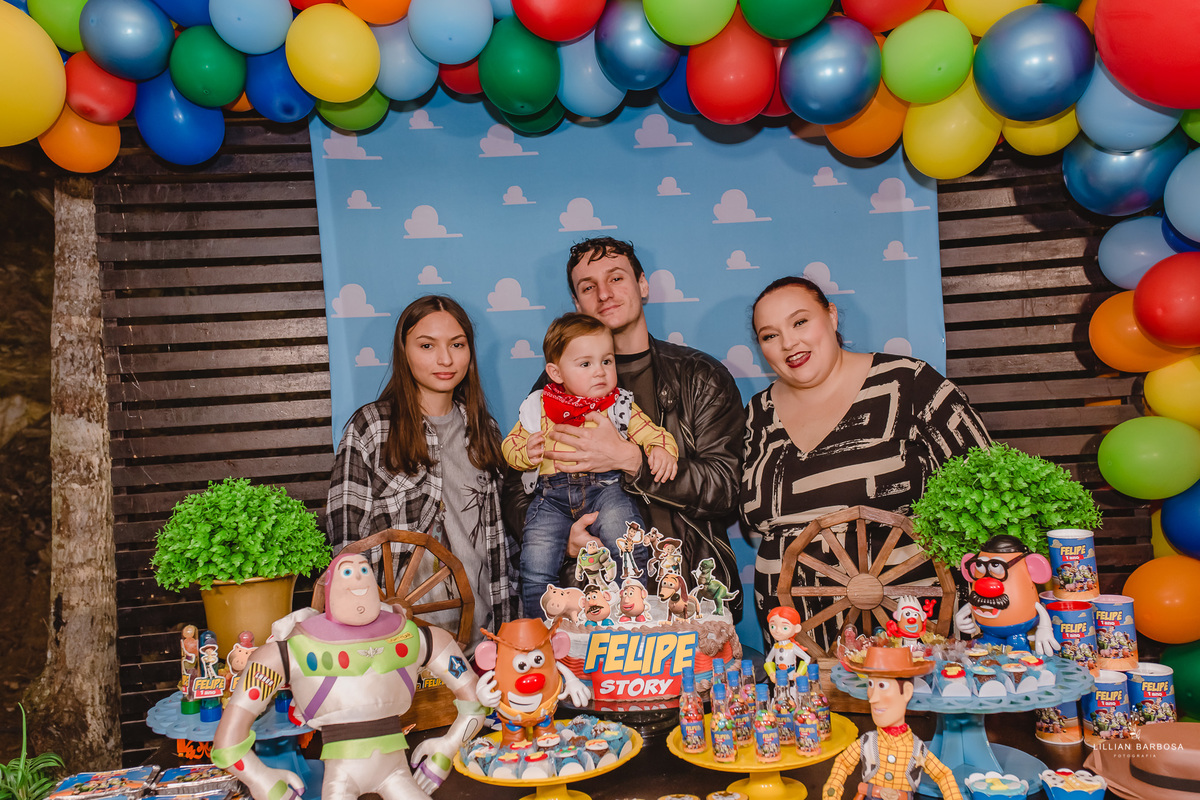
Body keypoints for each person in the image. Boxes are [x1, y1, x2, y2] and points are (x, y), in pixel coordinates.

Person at [502, 237, 744, 621]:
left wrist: (632, 460)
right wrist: (561, 539)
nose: (604, 294)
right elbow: (518, 487)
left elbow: (725, 487)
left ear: (642, 285)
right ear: (577, 303)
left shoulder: (700, 376)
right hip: (592, 597)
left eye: (616, 278)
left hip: (685, 590)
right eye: (588, 287)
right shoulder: (552, 390)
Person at [743, 276, 990, 648]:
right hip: (794, 638)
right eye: (770, 335)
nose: (788, 343)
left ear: (831, 316)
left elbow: (987, 490)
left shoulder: (909, 382)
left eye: (800, 322)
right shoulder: (759, 413)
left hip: (907, 631)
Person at [326, 295, 517, 654]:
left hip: (482, 641)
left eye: (457, 345)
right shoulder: (372, 428)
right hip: (397, 646)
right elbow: (346, 546)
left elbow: (501, 544)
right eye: (427, 345)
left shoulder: (485, 431)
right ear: (404, 352)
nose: (445, 359)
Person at [502, 313, 677, 615]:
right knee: (536, 561)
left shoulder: (619, 405)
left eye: (607, 361)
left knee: (626, 542)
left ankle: (631, 613)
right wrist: (525, 452)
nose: (600, 372)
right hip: (550, 497)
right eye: (585, 364)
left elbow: (654, 433)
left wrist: (662, 449)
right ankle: (539, 627)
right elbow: (510, 445)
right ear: (556, 372)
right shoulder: (538, 406)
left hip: (606, 490)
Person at [821, 646, 964, 800]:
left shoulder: (917, 749)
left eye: (882, 686)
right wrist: (832, 792)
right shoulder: (868, 742)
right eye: (871, 684)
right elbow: (843, 762)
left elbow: (943, 775)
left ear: (907, 692)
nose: (873, 698)